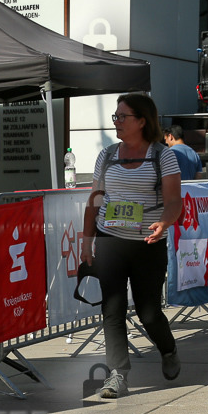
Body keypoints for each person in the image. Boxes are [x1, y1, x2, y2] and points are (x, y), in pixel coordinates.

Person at [82, 93, 182, 398]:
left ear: (141, 121)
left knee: (148, 312)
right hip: (110, 240)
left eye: (122, 117)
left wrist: (164, 222)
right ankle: (117, 374)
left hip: (147, 244)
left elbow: (174, 201)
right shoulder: (107, 155)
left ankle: (168, 349)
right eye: (115, 116)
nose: (116, 122)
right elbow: (95, 200)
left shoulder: (162, 156)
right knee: (111, 309)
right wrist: (86, 241)